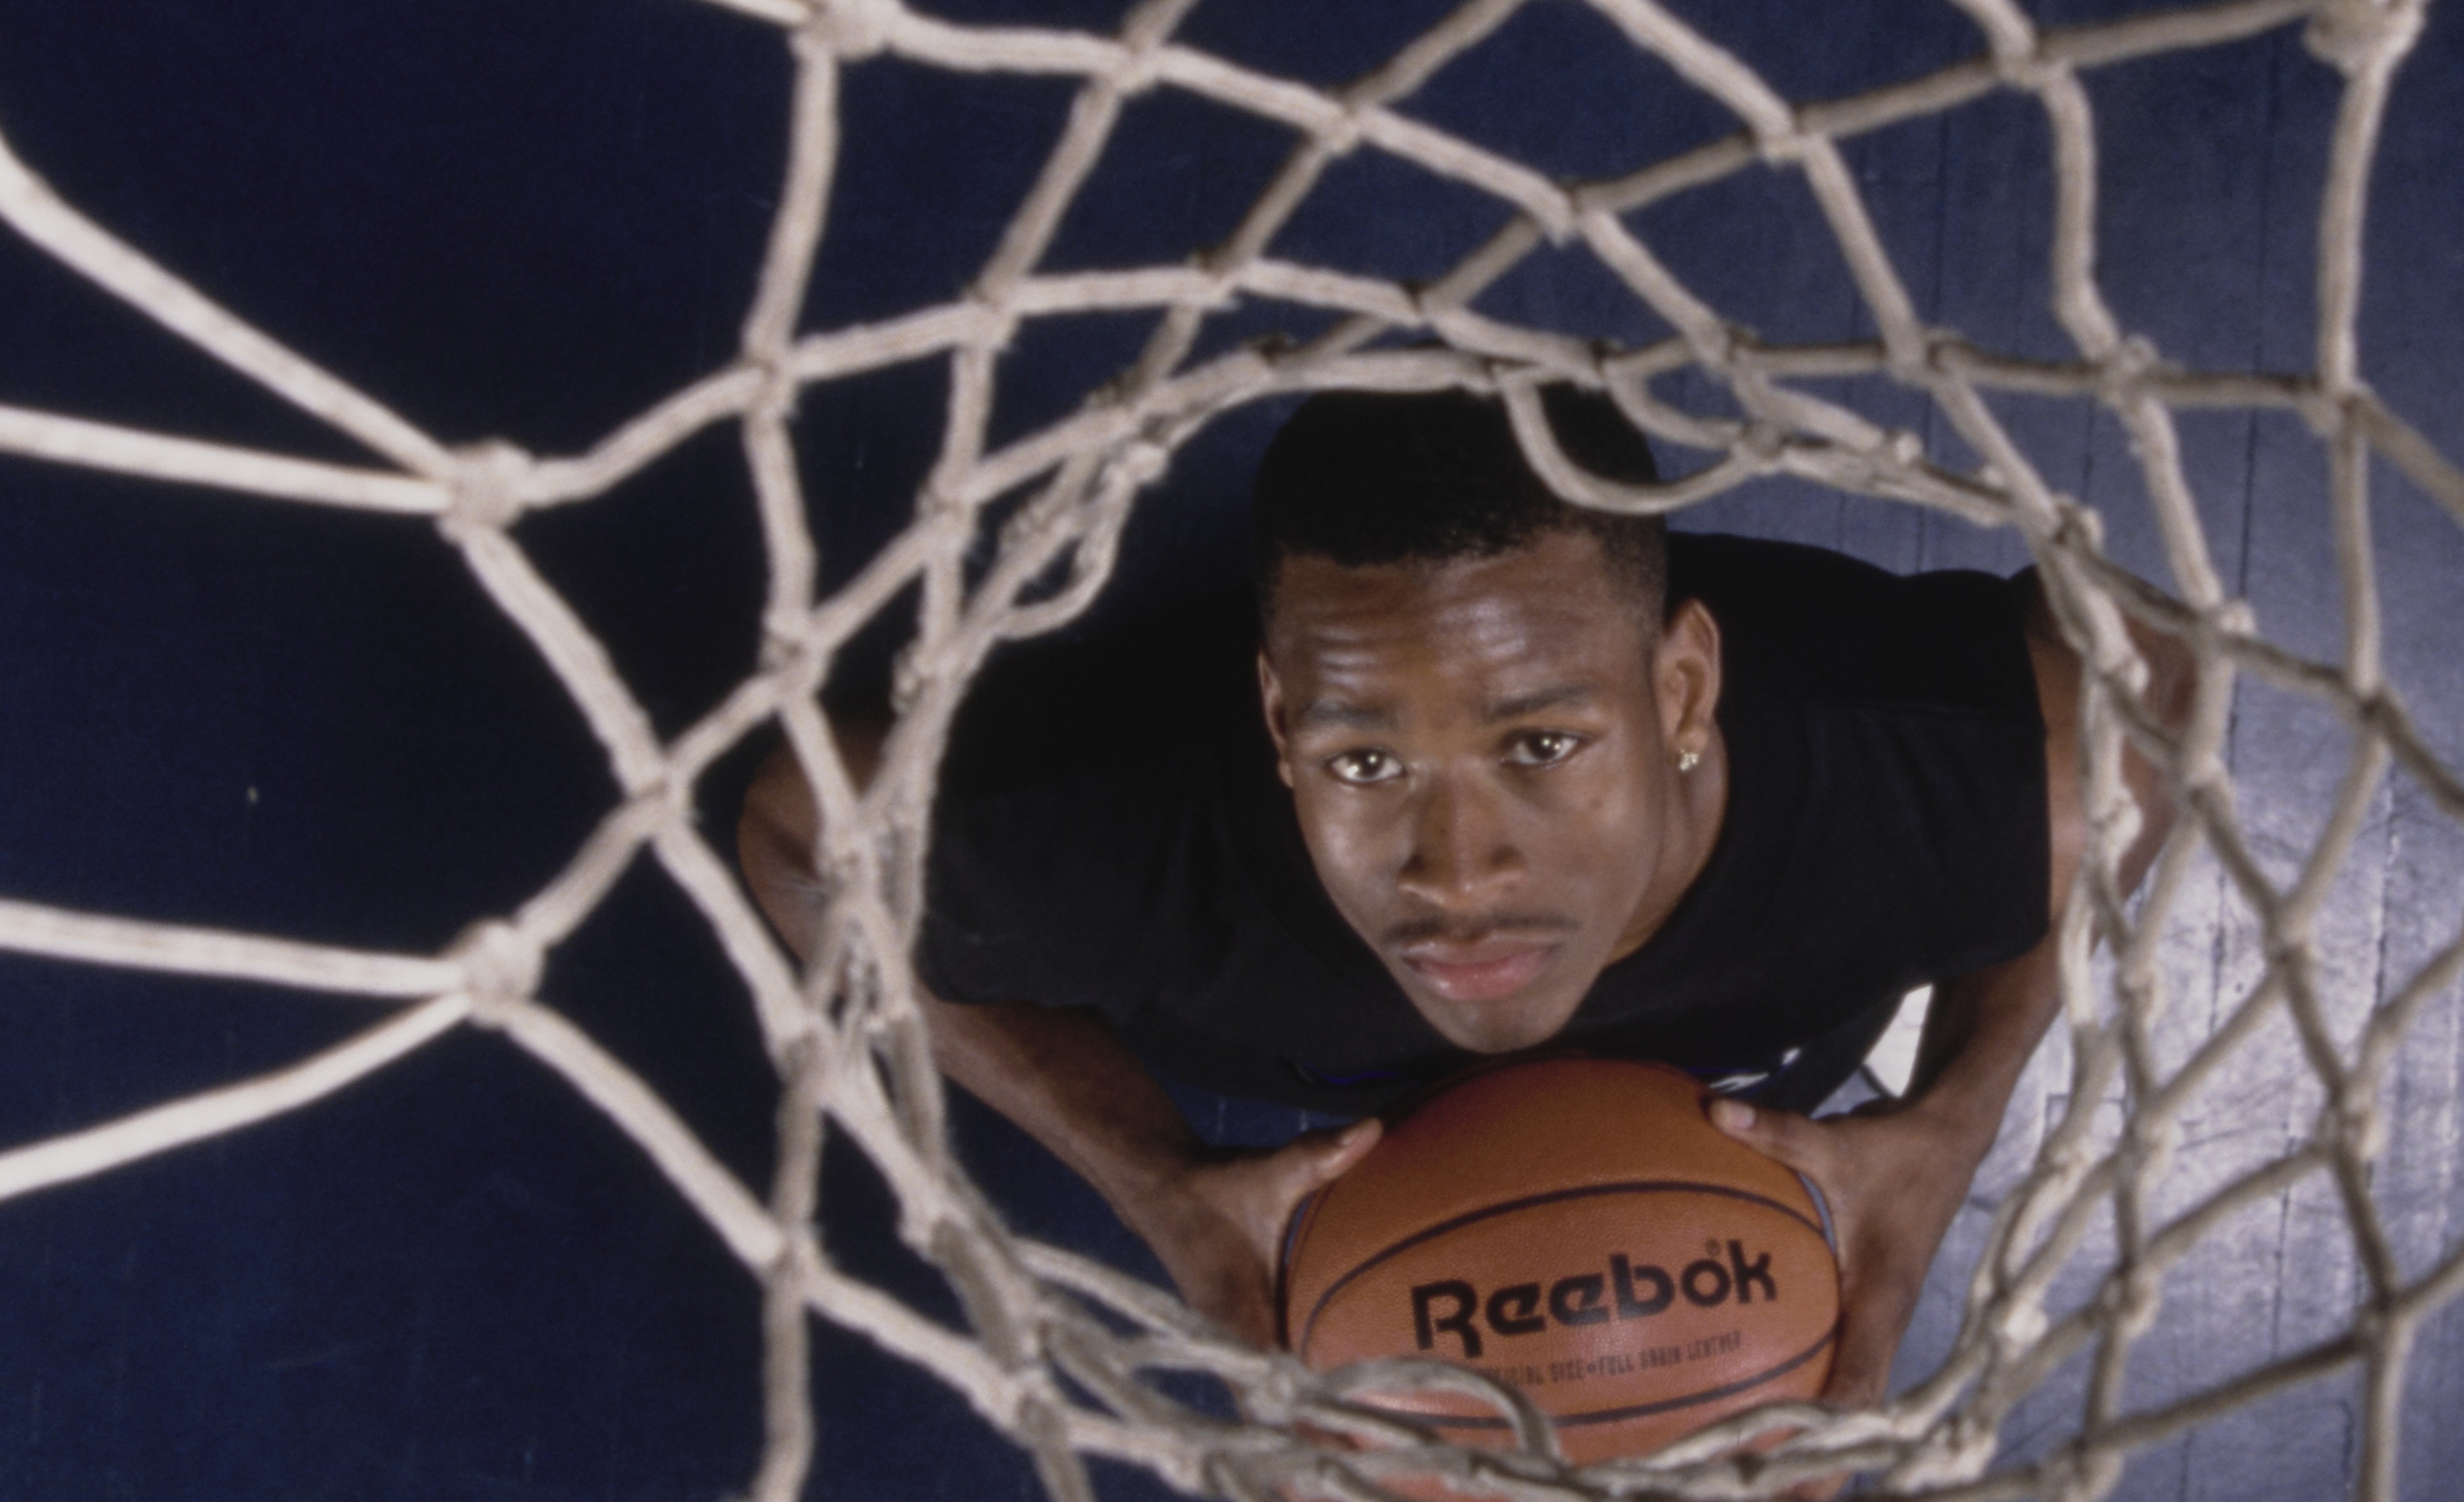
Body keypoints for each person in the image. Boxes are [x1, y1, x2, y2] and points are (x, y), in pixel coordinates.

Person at [734, 386, 2174, 1406]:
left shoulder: (1918, 783)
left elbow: (2155, 671)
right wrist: (1154, 1178)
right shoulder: (1119, 833)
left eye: (1541, 744)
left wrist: (1958, 1106)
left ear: (1681, 689)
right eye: (1363, 755)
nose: (1458, 871)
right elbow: (800, 833)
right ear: (1275, 712)